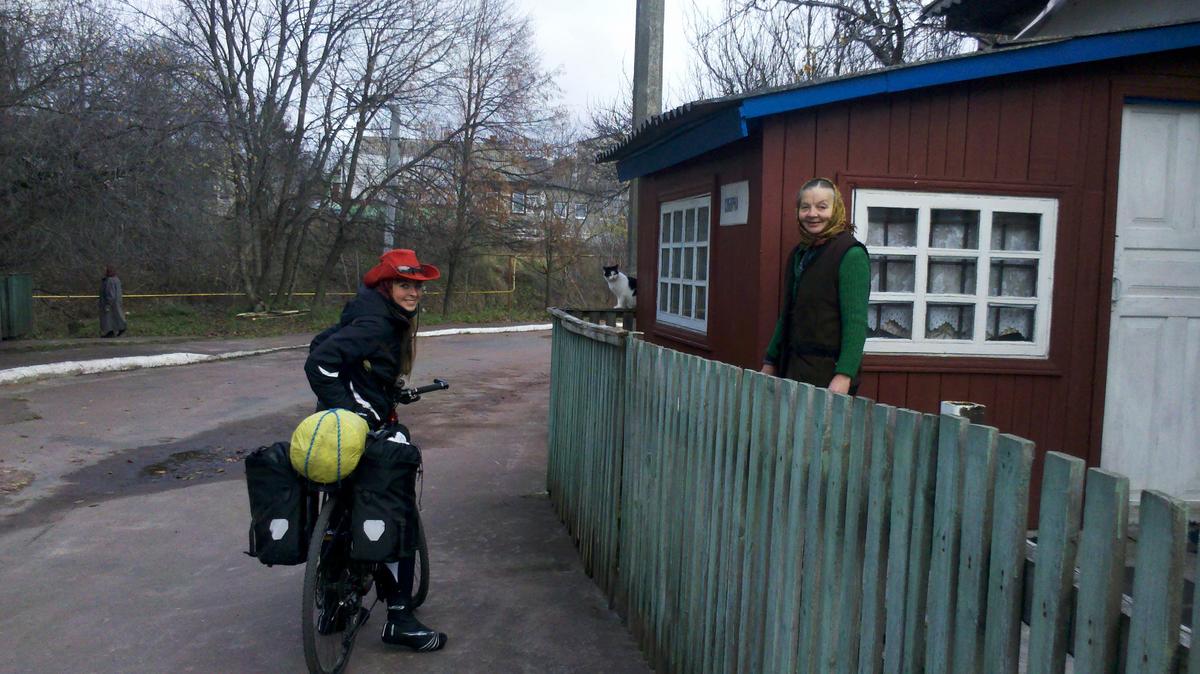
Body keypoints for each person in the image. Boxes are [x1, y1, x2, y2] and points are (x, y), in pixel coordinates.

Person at [303, 248, 448, 652]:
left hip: (335, 430)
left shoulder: (368, 311)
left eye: (417, 286)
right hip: (359, 430)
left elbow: (324, 343)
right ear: (386, 285)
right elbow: (320, 362)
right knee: (396, 508)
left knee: (348, 504)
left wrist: (380, 389)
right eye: (404, 285)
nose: (414, 293)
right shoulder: (378, 322)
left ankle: (333, 606)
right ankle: (400, 618)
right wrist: (356, 411)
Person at [761, 178, 869, 395]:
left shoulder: (851, 255)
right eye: (805, 207)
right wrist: (770, 361)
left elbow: (856, 323)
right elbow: (787, 315)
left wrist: (844, 375)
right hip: (793, 370)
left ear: (835, 210)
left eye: (822, 207)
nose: (812, 214)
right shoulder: (799, 254)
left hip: (828, 377)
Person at [99, 266, 127, 338]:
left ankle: (111, 331)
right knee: (117, 316)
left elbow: (110, 293)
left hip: (111, 303)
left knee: (109, 318)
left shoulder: (110, 281)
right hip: (117, 302)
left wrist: (108, 304)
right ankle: (117, 330)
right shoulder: (116, 279)